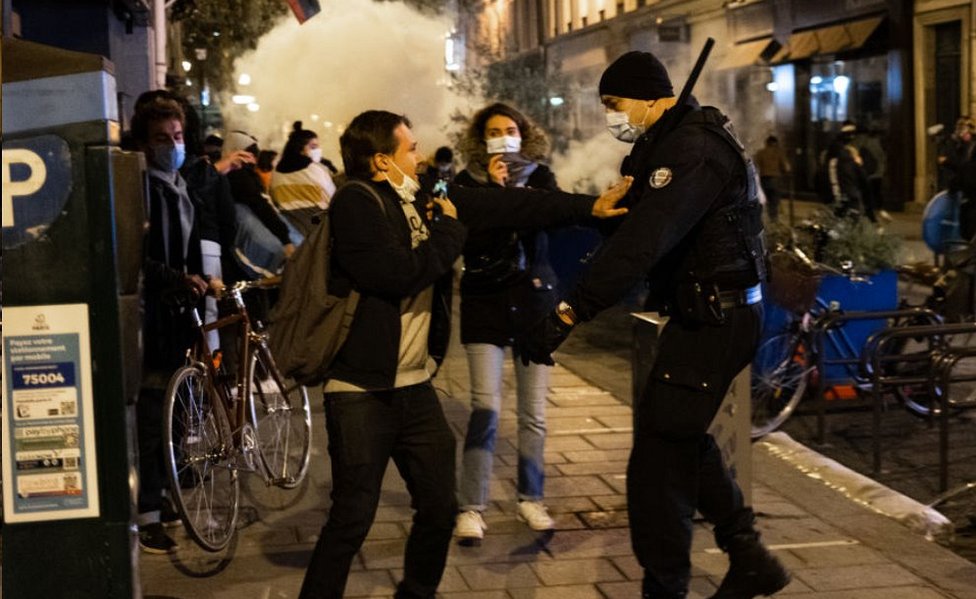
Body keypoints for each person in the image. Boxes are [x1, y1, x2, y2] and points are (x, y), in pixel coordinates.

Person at [297, 109, 631, 599]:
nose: (421, 156)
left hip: (413, 386)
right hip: (361, 393)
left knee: (438, 509)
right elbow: (396, 275)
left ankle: (416, 592)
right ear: (382, 161)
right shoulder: (356, 203)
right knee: (351, 519)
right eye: (410, 149)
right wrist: (451, 233)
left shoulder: (424, 197)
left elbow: (513, 208)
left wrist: (590, 208)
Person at [519, 51, 790, 599]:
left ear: (649, 96)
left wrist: (570, 312)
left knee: (658, 463)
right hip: (709, 311)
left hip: (720, 314)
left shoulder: (692, 149)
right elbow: (639, 225)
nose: (611, 117)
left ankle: (666, 585)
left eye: (614, 104)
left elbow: (646, 241)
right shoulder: (673, 142)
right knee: (680, 437)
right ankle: (748, 554)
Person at [451, 102, 563, 543]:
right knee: (486, 407)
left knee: (533, 414)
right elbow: (469, 239)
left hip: (533, 303)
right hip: (485, 303)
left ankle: (531, 499)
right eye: (494, 131)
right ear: (481, 139)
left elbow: (548, 218)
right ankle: (471, 508)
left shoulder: (541, 177)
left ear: (523, 132)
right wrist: (495, 194)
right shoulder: (465, 183)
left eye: (510, 129)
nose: (503, 137)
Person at [131, 96, 223, 554]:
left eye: (179, 136)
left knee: (174, 415)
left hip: (180, 319)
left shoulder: (180, 185)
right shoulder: (142, 189)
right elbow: (132, 256)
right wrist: (176, 278)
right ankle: (148, 514)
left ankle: (165, 499)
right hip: (153, 322)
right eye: (163, 139)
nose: (173, 145)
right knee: (152, 419)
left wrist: (204, 280)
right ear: (146, 145)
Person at [269, 121, 337, 237]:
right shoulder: (315, 170)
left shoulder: (275, 173)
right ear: (300, 148)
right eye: (313, 147)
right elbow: (333, 200)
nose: (318, 150)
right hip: (319, 228)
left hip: (293, 231)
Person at [752, 135, 791, 222]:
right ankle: (773, 219)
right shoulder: (779, 153)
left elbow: (754, 165)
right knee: (774, 200)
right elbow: (786, 167)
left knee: (767, 199)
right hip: (775, 179)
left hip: (764, 179)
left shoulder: (761, 153)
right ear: (775, 143)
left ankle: (766, 219)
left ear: (767, 143)